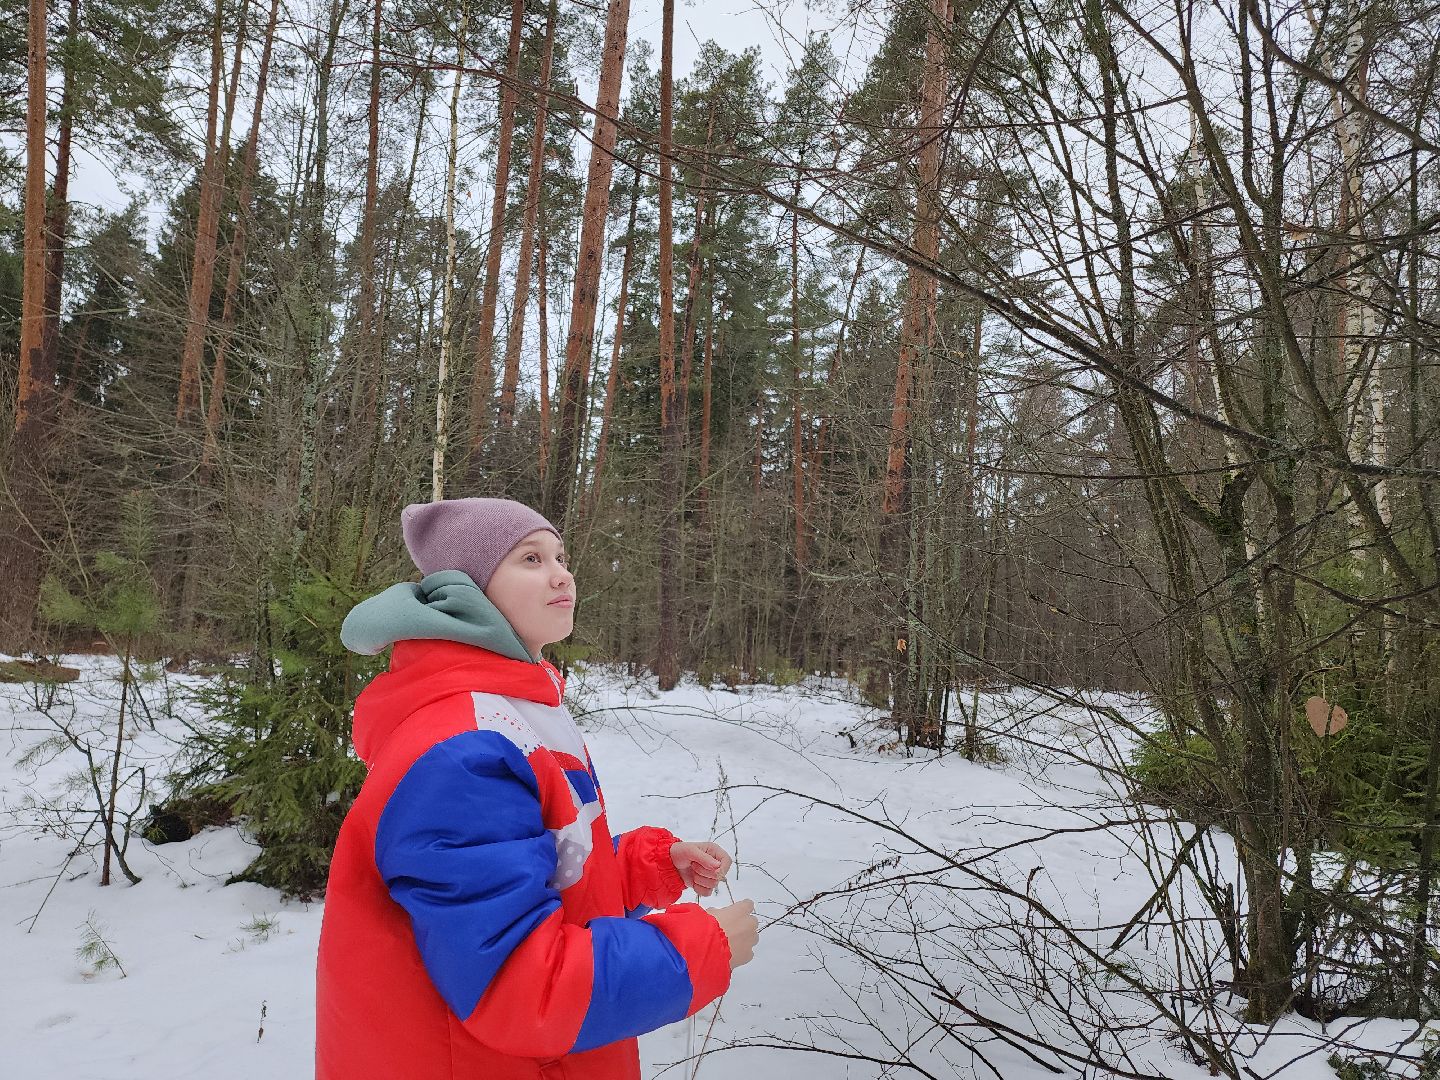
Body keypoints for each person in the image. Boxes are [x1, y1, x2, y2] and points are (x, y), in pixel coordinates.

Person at [315, 497, 759, 1080]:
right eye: (530, 557)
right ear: (467, 589)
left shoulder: (513, 713)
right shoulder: (465, 747)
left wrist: (646, 867)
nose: (561, 573)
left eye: (560, 555)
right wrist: (693, 950)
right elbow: (516, 983)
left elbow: (542, 873)